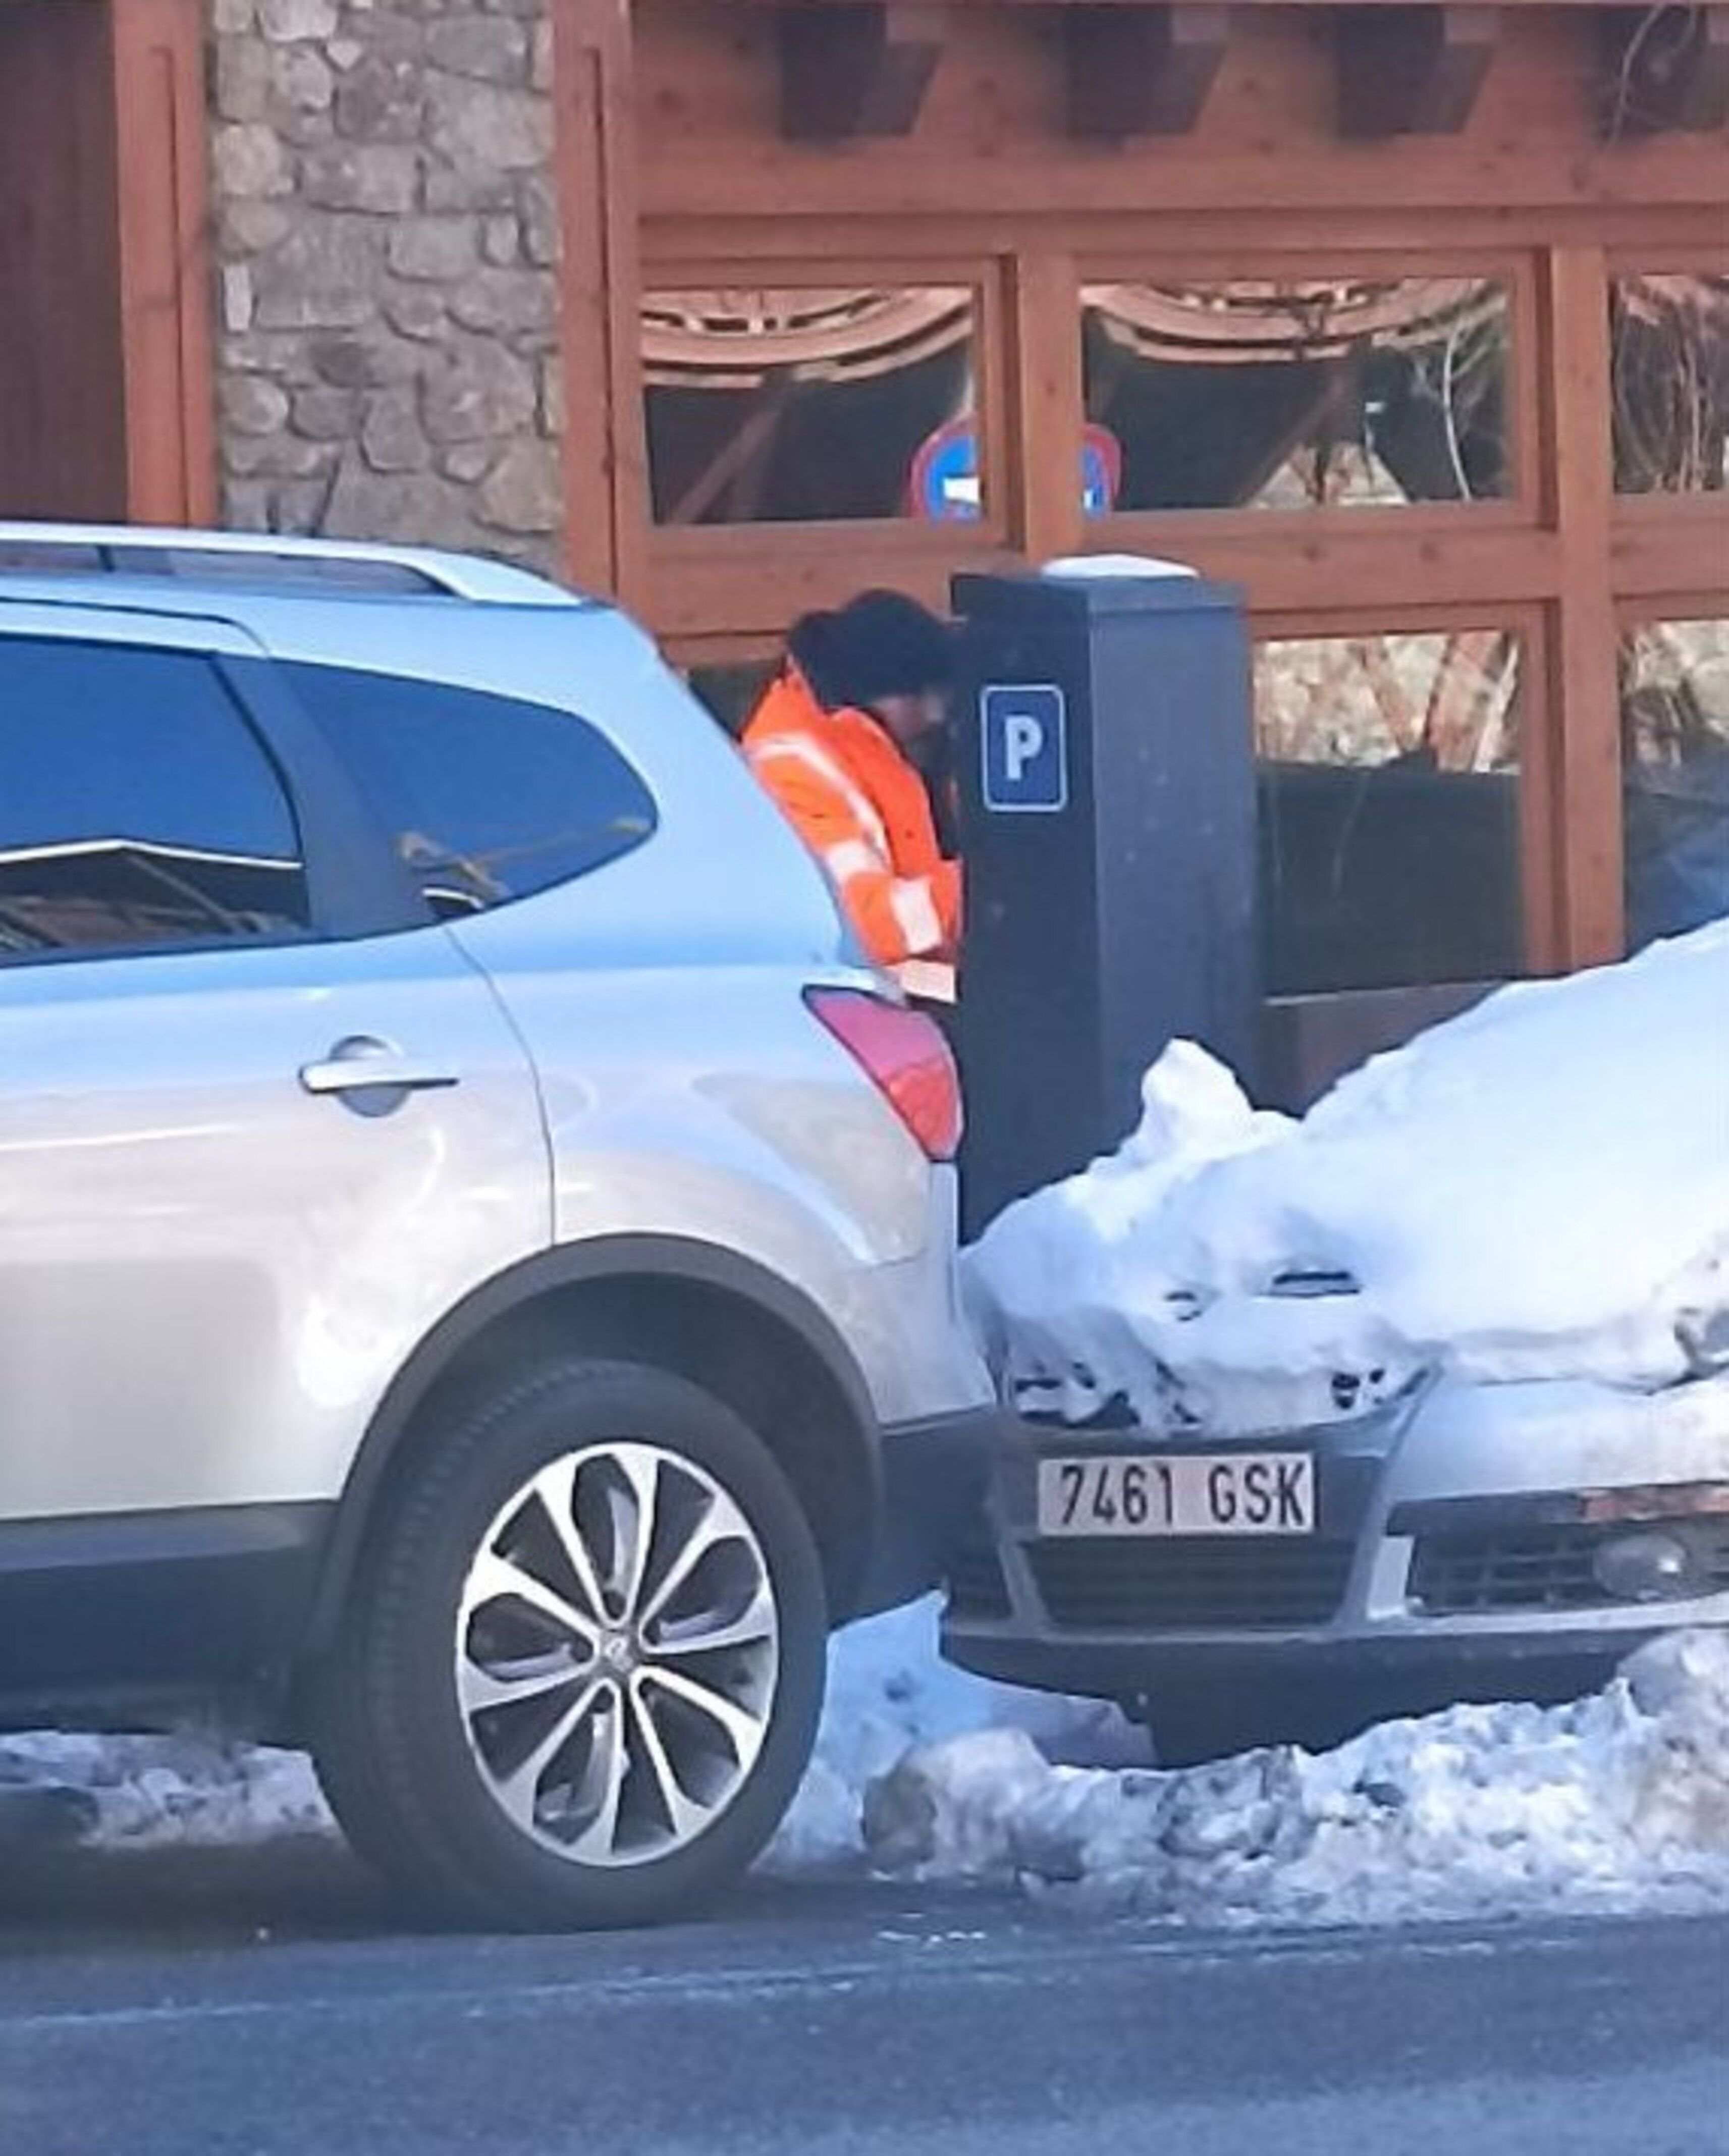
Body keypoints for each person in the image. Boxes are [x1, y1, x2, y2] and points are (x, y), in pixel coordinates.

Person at [742, 590, 962, 999]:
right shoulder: (791, 771)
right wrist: (980, 887)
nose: (934, 717)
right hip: (835, 1012)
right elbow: (862, 925)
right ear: (886, 692)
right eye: (926, 699)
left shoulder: (869, 755)